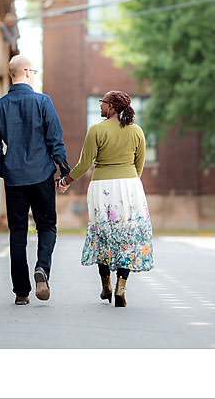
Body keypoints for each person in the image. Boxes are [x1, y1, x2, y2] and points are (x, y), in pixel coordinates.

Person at [0, 55, 70, 306]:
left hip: (14, 178)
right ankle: (42, 268)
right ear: (25, 72)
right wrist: (64, 170)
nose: (33, 74)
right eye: (32, 70)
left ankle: (21, 292)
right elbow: (55, 139)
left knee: (18, 232)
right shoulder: (43, 102)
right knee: (46, 227)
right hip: (41, 174)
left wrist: (4, 169)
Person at [58, 90, 154, 307]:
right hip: (130, 187)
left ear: (111, 107)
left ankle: (106, 286)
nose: (100, 106)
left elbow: (84, 164)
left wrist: (65, 182)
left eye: (102, 103)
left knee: (103, 233)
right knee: (127, 236)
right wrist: (128, 183)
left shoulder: (96, 130)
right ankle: (121, 287)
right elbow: (139, 165)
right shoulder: (136, 131)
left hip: (103, 187)